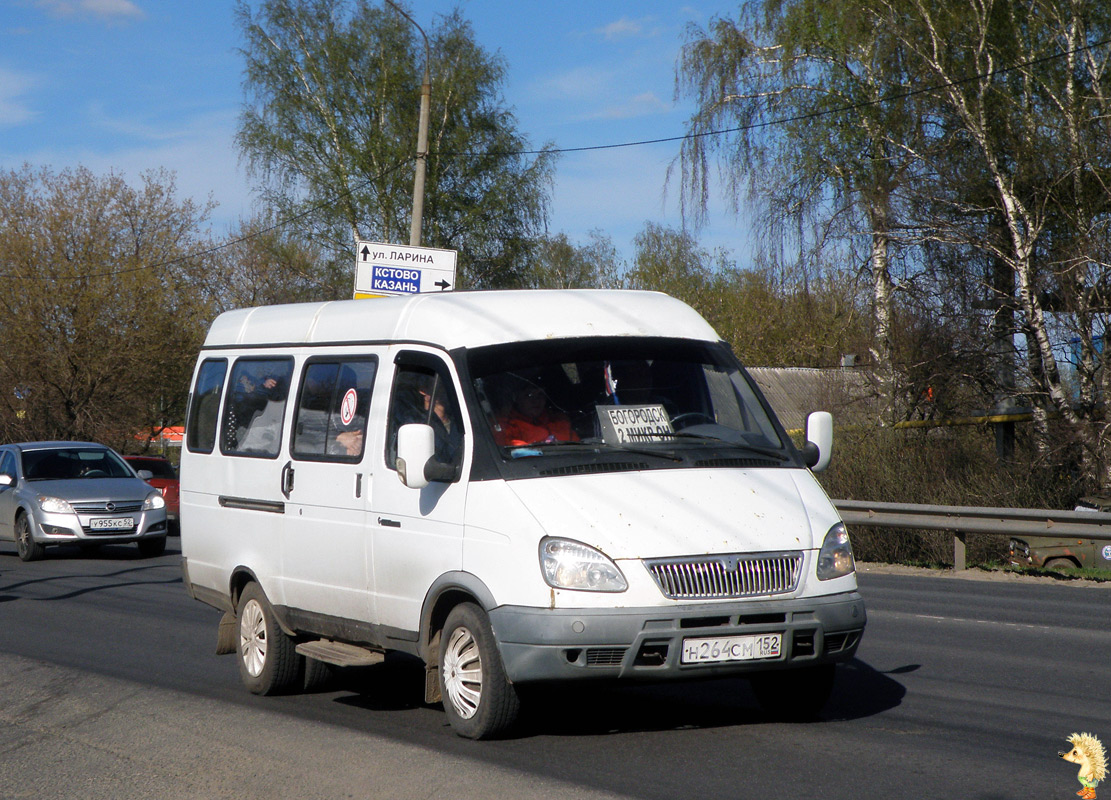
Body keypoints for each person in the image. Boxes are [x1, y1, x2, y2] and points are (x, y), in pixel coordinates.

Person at [494, 382, 579, 447]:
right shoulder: (503, 426)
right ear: (516, 398)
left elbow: (579, 449)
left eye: (540, 394)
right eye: (529, 395)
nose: (536, 401)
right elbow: (511, 450)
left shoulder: (559, 421)